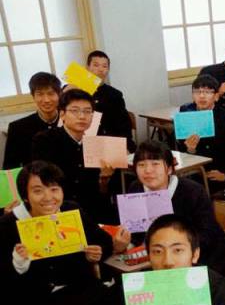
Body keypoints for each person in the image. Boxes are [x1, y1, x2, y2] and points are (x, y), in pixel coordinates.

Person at [0, 161, 122, 305]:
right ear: (25, 196)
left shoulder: (71, 211)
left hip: (80, 292)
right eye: (38, 191)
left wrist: (97, 253)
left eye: (54, 189)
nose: (48, 197)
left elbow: (103, 241)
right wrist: (18, 264)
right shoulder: (7, 226)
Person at [125, 140, 225, 280]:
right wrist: (126, 243)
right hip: (156, 258)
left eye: (155, 164)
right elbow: (136, 233)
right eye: (141, 165)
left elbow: (207, 235)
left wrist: (175, 250)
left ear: (169, 169)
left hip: (203, 259)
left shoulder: (193, 192)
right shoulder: (135, 189)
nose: (148, 170)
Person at [31, 88, 117, 222]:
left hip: (93, 211)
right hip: (59, 211)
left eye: (87, 111)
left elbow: (101, 192)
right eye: (75, 111)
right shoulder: (45, 140)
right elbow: (42, 182)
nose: (82, 116)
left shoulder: (97, 143)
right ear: (62, 114)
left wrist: (104, 180)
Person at [176, 74, 225, 192]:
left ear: (216, 96)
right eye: (197, 92)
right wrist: (190, 150)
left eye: (207, 92)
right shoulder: (186, 116)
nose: (202, 96)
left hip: (222, 171)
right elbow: (180, 152)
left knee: (197, 191)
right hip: (195, 173)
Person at [2, 72, 61, 170]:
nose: (46, 100)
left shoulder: (71, 122)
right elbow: (10, 168)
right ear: (33, 96)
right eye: (40, 94)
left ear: (59, 95)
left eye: (51, 93)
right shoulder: (18, 128)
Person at [85, 50, 136, 152]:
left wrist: (126, 147)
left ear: (108, 70)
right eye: (96, 65)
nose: (100, 69)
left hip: (110, 143)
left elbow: (124, 125)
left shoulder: (115, 95)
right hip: (85, 144)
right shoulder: (77, 91)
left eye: (104, 66)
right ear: (87, 67)